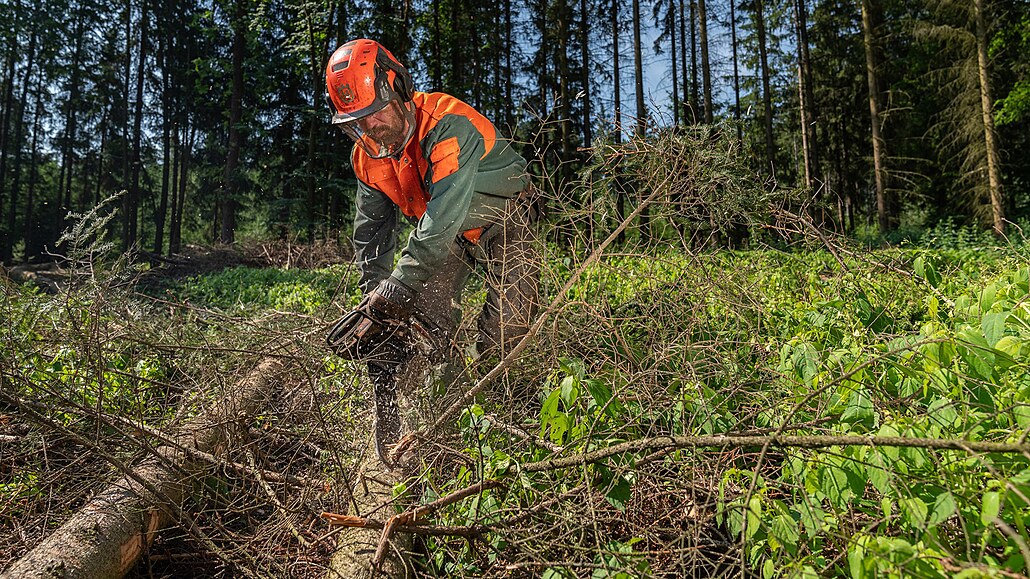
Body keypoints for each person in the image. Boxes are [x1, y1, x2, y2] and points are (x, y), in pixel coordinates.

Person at [325, 39, 542, 463]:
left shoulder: (447, 124)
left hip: (506, 216)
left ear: (399, 89)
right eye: (357, 123)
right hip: (447, 232)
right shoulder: (367, 157)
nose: (370, 129)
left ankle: (499, 420)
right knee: (420, 320)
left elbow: (443, 215)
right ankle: (412, 422)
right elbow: (371, 236)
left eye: (375, 114)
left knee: (506, 332)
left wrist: (398, 286)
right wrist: (379, 306)